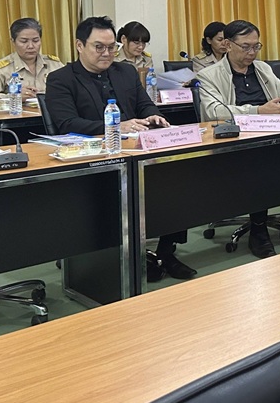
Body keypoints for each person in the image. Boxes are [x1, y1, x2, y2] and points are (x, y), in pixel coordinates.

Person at [45, 16, 195, 281]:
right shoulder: (61, 79)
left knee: (174, 178)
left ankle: (166, 251)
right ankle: (121, 257)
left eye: (111, 47)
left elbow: (144, 104)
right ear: (79, 45)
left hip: (136, 151)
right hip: (94, 159)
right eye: (99, 47)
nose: (107, 53)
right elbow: (67, 123)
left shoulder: (125, 72)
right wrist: (116, 126)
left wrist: (154, 116)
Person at [196, 19, 280, 258]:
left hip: (273, 134)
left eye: (256, 46)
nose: (252, 52)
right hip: (235, 142)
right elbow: (214, 111)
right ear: (227, 44)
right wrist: (258, 111)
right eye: (245, 47)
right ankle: (259, 229)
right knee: (260, 161)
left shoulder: (262, 69)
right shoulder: (208, 75)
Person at [0, 18, 64, 105]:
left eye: (35, 40)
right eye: (24, 41)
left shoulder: (54, 64)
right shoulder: (2, 68)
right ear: (13, 42)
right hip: (19, 113)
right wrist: (14, 97)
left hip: (54, 112)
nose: (31, 46)